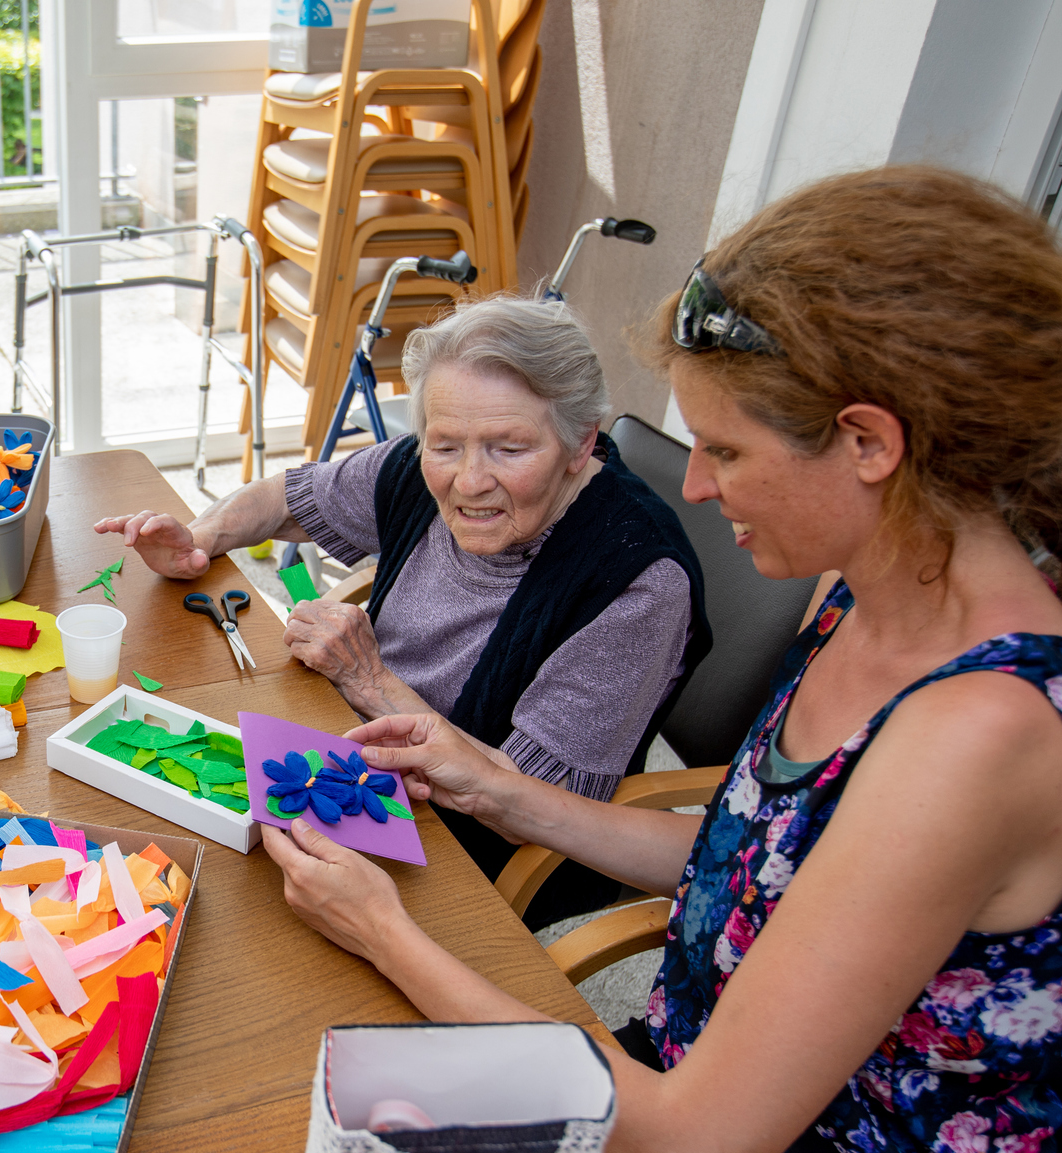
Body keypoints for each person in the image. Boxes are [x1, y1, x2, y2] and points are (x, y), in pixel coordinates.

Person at [258, 167, 1062, 1153]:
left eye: (727, 449)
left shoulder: (981, 730)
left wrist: (388, 931)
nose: (693, 485)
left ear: (868, 442)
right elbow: (752, 867)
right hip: (695, 1101)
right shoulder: (867, 585)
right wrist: (493, 783)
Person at [96, 295, 711, 922]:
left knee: (230, 917)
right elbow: (286, 498)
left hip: (471, 844)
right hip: (355, 753)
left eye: (509, 449)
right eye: (445, 445)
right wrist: (200, 540)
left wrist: (368, 681)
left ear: (580, 445)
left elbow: (528, 809)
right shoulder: (418, 466)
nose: (469, 481)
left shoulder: (636, 584)